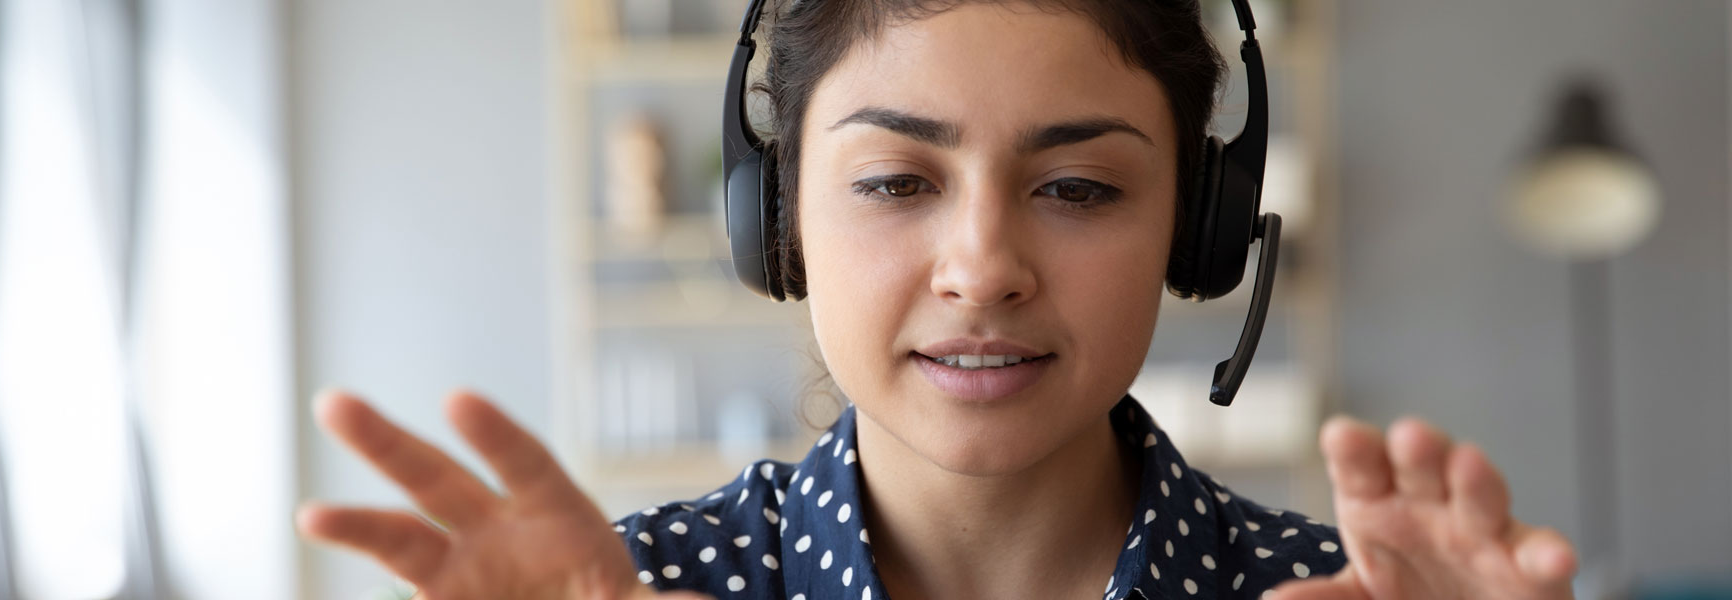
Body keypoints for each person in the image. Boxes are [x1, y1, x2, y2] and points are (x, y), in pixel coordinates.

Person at [295, 1, 1582, 598]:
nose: (982, 266)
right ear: (777, 219)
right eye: (898, 182)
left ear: (1199, 228)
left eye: (1078, 188)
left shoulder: (1342, 594)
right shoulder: (635, 592)